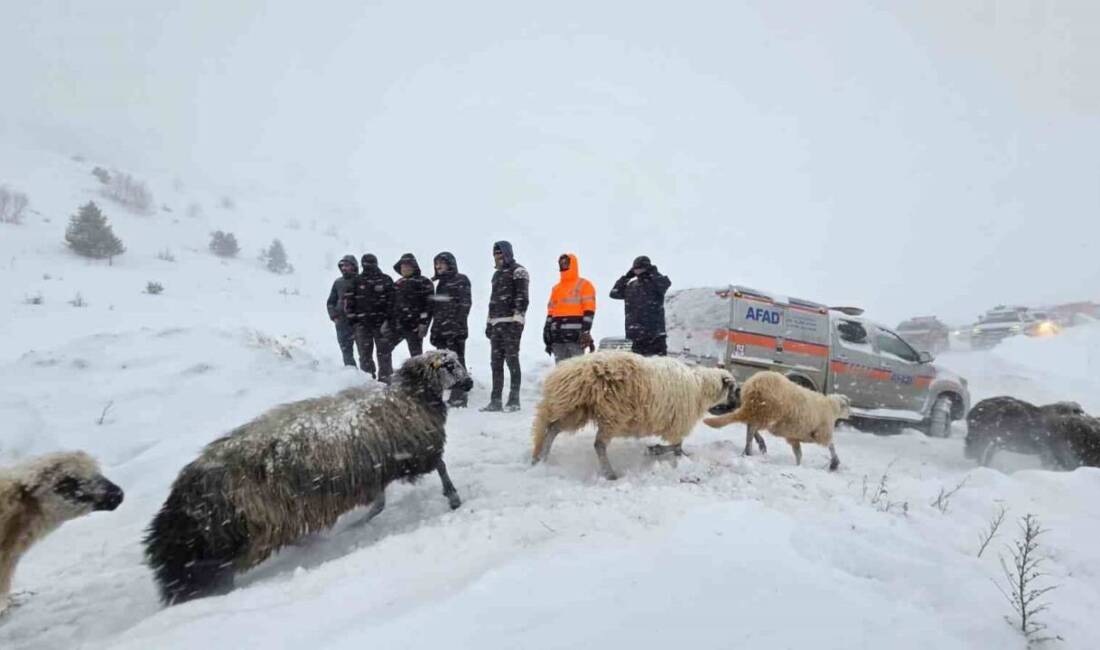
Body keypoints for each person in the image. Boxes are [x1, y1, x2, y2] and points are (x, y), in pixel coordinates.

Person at [481, 241, 529, 412]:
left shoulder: (519, 271)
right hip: (496, 324)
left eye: (500, 252)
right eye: (495, 253)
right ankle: (495, 401)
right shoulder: (496, 275)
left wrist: (518, 320)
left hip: (511, 323)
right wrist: (489, 322)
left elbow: (522, 298)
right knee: (496, 363)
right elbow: (492, 301)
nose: (498, 256)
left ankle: (514, 400)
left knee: (512, 360)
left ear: (508, 253)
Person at [430, 252, 472, 407]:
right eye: (436, 263)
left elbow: (465, 305)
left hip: (456, 331)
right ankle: (452, 393)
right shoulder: (440, 284)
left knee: (457, 362)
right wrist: (435, 330)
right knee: (444, 363)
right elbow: (437, 309)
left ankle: (460, 396)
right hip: (441, 331)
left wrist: (455, 327)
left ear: (450, 264)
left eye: (441, 263)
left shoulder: (461, 279)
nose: (438, 266)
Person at [609, 255, 672, 356]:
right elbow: (614, 293)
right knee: (638, 365)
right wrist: (626, 277)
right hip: (635, 336)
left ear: (647, 268)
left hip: (655, 336)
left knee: (657, 364)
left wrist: (653, 272)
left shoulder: (655, 283)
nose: (637, 271)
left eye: (640, 268)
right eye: (635, 269)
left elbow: (664, 284)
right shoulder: (631, 285)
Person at [348, 253, 396, 381]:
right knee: (364, 355)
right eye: (365, 263)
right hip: (362, 324)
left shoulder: (385, 279)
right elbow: (350, 301)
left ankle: (386, 380)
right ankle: (368, 379)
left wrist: (389, 320)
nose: (368, 265)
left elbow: (393, 301)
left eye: (371, 262)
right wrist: (353, 320)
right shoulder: (357, 281)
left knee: (384, 353)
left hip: (382, 324)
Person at [544, 253, 596, 363]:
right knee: (561, 370)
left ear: (573, 264)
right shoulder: (556, 288)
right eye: (561, 263)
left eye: (566, 262)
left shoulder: (584, 285)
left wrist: (585, 331)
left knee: (577, 369)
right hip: (557, 337)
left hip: (575, 337)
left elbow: (589, 310)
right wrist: (547, 329)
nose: (563, 265)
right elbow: (550, 312)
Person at [389, 253, 434, 358]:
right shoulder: (397, 284)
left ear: (414, 267)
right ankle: (386, 370)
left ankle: (419, 369)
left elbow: (429, 305)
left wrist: (424, 323)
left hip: (415, 326)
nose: (405, 268)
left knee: (416, 356)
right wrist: (389, 322)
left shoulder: (424, 282)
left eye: (408, 266)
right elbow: (390, 305)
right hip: (398, 325)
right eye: (403, 266)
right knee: (384, 348)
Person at [326, 255, 360, 367]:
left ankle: (367, 375)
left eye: (347, 265)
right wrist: (334, 316)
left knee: (364, 353)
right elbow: (330, 302)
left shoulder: (360, 281)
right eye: (342, 266)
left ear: (354, 266)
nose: (344, 268)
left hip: (358, 322)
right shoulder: (338, 282)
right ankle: (352, 373)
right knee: (346, 352)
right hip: (342, 322)